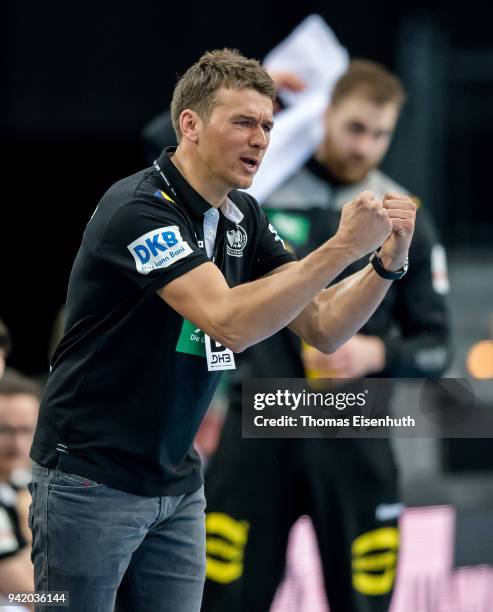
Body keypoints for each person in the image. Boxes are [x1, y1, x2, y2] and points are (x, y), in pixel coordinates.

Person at [29, 49, 416, 612]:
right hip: (90, 482)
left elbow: (325, 327)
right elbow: (228, 321)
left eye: (267, 125)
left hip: (176, 484)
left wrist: (384, 264)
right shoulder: (138, 208)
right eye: (243, 122)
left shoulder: (243, 216)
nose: (260, 139)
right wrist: (342, 247)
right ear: (190, 124)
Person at [201, 60, 451, 612]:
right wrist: (249, 92)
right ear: (326, 115)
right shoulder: (257, 193)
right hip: (258, 429)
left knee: (364, 603)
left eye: (381, 133)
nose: (365, 146)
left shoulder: (405, 213)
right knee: (224, 601)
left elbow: (437, 346)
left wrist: (376, 351)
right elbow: (164, 150)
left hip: (355, 434)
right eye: (355, 128)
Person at [0, 371, 39, 604]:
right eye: (4, 430)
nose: (17, 443)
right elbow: (30, 597)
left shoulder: (24, 485)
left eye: (26, 430)